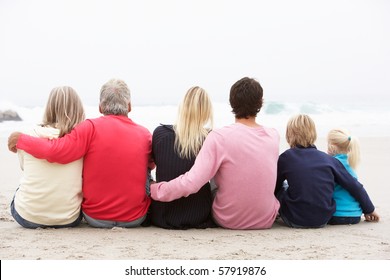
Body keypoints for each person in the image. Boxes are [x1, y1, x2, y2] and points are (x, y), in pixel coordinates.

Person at [8, 79, 154, 228]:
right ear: (129, 106)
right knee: (146, 169)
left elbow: (56, 151)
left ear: (100, 107)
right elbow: (152, 164)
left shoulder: (89, 128)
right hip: (135, 218)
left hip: (96, 217)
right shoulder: (144, 134)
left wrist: (21, 140)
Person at [151, 77, 280, 230]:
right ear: (261, 102)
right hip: (265, 219)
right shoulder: (274, 136)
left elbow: (191, 182)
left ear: (231, 103)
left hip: (228, 219)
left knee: (216, 173)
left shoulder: (220, 137)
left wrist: (154, 190)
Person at [275, 114, 379, 228]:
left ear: (289, 135)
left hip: (294, 219)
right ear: (313, 134)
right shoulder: (329, 160)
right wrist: (369, 209)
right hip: (323, 219)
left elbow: (274, 186)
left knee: (283, 187)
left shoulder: (285, 158)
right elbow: (354, 185)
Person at [10, 86, 85, 229]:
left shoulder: (29, 134)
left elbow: (24, 168)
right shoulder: (81, 140)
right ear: (78, 109)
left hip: (27, 216)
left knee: (24, 183)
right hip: (68, 218)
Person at [150, 86, 215, 229]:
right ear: (206, 111)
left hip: (163, 214)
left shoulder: (160, 134)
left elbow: (153, 164)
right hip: (199, 214)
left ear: (182, 107)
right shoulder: (210, 138)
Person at [327, 128, 379, 224]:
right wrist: (368, 209)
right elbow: (357, 190)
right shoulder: (350, 165)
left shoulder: (332, 165)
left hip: (337, 215)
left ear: (331, 147)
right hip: (355, 216)